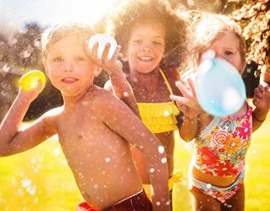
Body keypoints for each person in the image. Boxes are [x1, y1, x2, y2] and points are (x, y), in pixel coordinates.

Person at [0, 24, 171, 211]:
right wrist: (24, 97)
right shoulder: (55, 119)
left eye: (79, 58)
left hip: (128, 206)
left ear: (96, 67)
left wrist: (162, 207)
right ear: (46, 67)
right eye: (58, 59)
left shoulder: (100, 102)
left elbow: (154, 149)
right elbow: (4, 146)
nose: (68, 67)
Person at [170, 14, 270, 210]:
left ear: (242, 63)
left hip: (236, 183)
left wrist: (262, 111)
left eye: (228, 52)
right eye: (211, 54)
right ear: (199, 62)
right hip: (204, 188)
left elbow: (247, 128)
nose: (220, 60)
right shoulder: (201, 99)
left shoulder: (240, 99)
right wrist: (191, 116)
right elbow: (187, 136)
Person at [106, 0, 190, 197]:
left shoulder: (172, 83)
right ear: (123, 47)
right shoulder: (115, 86)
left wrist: (192, 115)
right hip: (129, 191)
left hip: (164, 186)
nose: (147, 48)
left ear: (167, 47)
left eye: (156, 42)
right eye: (138, 41)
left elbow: (187, 135)